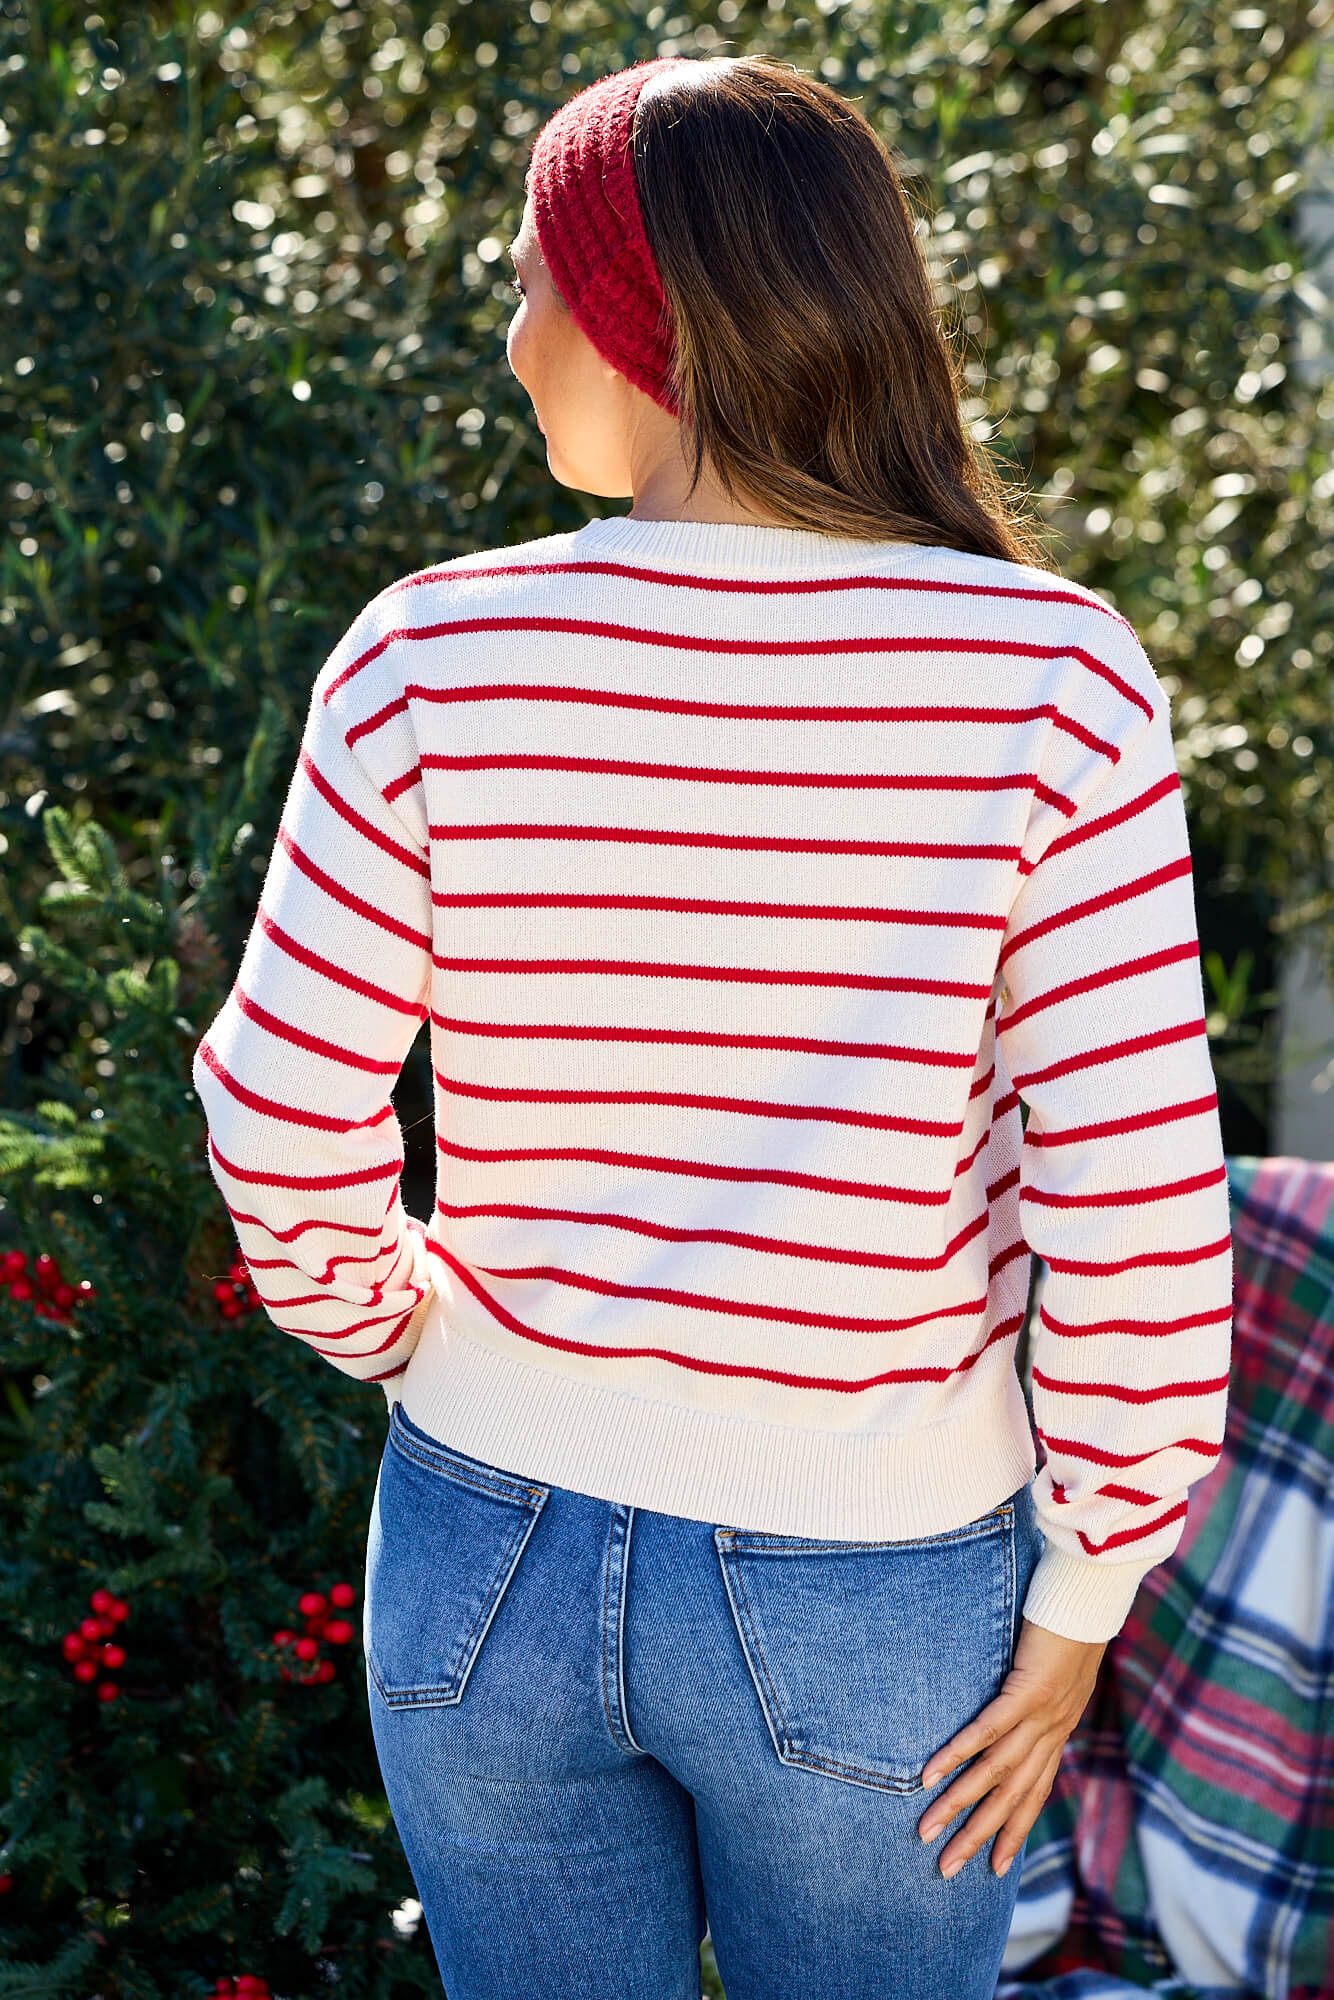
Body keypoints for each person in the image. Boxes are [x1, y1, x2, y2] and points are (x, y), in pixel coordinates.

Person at [191, 52, 1234, 2000]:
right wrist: (1089, 1590)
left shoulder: (430, 648)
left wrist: (397, 1329)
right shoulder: (1052, 675)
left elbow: (275, 1101)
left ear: (642, 318)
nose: (511, 341)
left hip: (481, 1543)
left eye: (528, 286)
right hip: (874, 1578)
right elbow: (1134, 1207)